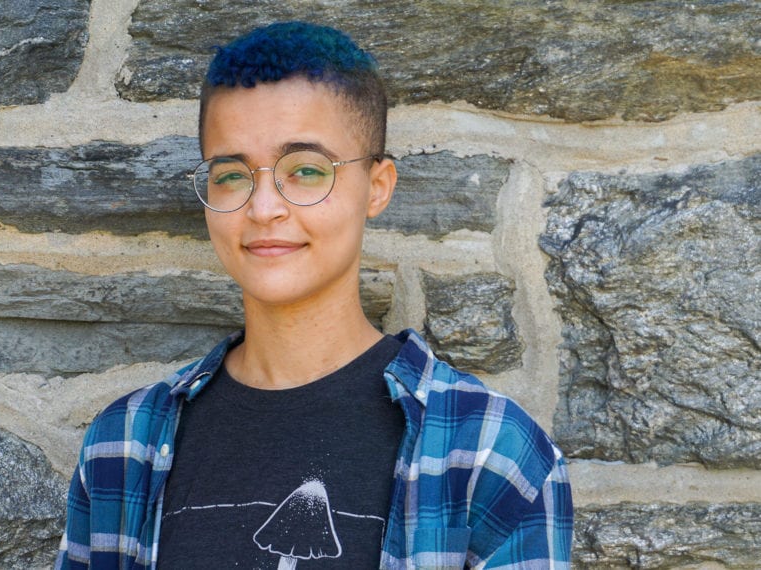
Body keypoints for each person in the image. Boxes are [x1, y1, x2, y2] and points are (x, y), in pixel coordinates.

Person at [55, 21, 572, 569]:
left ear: (377, 187)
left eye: (304, 170)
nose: (262, 208)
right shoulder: (123, 446)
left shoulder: (492, 454)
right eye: (231, 174)